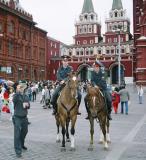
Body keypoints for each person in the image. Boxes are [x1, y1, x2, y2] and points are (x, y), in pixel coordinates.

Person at [12, 83, 30, 158]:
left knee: (25, 131)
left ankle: (21, 144)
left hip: (24, 117)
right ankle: (18, 151)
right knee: (17, 134)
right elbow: (14, 100)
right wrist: (17, 91)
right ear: (17, 88)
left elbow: (29, 106)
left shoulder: (26, 96)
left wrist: (27, 105)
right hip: (17, 117)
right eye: (20, 87)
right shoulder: (16, 96)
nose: (22, 88)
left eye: (22, 87)